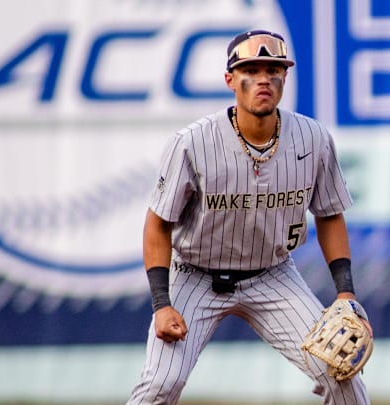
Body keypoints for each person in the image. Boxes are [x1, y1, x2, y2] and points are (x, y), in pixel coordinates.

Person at [127, 29, 371, 405]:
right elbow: (158, 224)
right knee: (162, 384)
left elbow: (330, 214)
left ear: (285, 78)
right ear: (230, 80)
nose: (263, 79)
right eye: (251, 70)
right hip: (195, 276)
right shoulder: (192, 143)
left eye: (273, 70)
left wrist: (345, 293)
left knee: (343, 374)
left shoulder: (313, 139)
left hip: (273, 275)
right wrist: (162, 304)